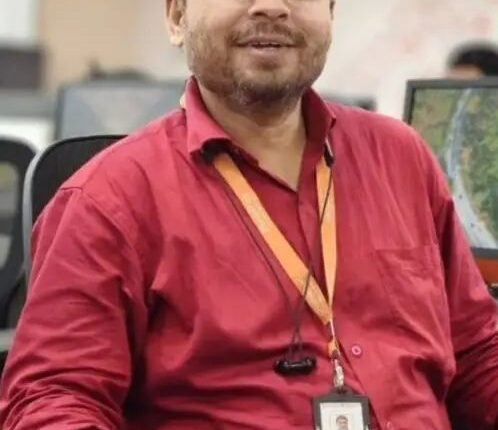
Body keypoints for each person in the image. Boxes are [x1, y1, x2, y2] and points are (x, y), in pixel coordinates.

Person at [1, 0, 498, 428]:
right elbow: (53, 401)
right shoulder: (106, 201)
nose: (272, 7)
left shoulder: (401, 159)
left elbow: (477, 354)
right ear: (177, 16)